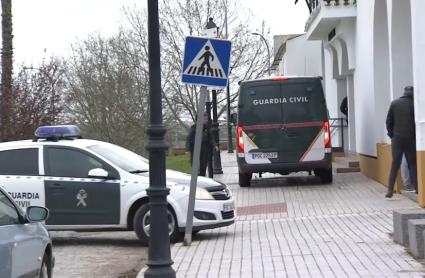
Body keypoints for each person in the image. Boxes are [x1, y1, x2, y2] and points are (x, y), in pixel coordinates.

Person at [385, 86, 417, 198]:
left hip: (397, 139)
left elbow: (388, 121)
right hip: (411, 138)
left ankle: (390, 190)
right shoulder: (415, 104)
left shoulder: (394, 103)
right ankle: (418, 189)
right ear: (413, 93)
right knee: (412, 164)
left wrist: (391, 135)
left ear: (403, 92)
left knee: (395, 164)